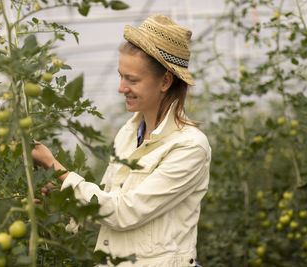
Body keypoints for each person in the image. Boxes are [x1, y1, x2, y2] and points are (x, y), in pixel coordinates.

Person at [31, 14, 211, 267]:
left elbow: (125, 212)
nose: (121, 88)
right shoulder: (128, 133)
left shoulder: (189, 146)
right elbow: (105, 210)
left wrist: (56, 168)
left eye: (132, 79)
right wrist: (64, 199)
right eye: (121, 76)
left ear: (165, 81)